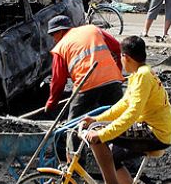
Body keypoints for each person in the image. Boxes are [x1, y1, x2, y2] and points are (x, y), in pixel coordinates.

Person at [82, 36, 171, 184]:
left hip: (154, 133)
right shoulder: (139, 74)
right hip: (151, 129)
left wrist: (102, 134)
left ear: (126, 57)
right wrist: (97, 119)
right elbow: (124, 104)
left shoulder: (143, 76)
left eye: (119, 57)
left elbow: (132, 113)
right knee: (112, 156)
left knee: (98, 138)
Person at [45, 15, 124, 161]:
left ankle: (74, 163)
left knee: (74, 125)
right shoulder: (92, 29)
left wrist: (51, 104)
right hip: (112, 81)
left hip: (87, 85)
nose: (53, 39)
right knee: (118, 119)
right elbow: (118, 47)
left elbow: (58, 82)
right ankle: (123, 158)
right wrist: (117, 71)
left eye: (53, 35)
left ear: (60, 31)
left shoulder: (61, 46)